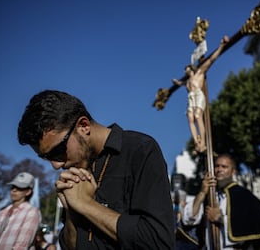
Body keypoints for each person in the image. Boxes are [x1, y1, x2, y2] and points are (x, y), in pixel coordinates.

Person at [17, 90, 174, 250]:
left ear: (83, 126)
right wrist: (72, 212)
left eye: (57, 151)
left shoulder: (139, 149)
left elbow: (158, 242)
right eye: (45, 157)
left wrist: (85, 204)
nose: (55, 165)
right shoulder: (76, 170)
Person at [182, 153, 260, 249]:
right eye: (216, 166)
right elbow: (189, 219)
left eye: (224, 166)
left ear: (233, 172)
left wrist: (220, 219)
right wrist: (202, 193)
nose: (219, 169)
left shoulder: (243, 195)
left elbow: (254, 223)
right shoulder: (209, 195)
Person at [172, 35, 229, 153]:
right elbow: (180, 83)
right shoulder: (186, 82)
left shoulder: (200, 73)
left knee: (198, 116)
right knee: (190, 118)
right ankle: (196, 142)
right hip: (191, 97)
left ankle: (202, 142)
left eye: (187, 68)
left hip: (198, 95)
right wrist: (177, 83)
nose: (185, 70)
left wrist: (221, 46)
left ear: (191, 69)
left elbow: (211, 59)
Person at [0, 172, 41, 250]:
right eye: (13, 186)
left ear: (28, 192)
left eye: (19, 187)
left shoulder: (32, 212)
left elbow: (21, 246)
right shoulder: (0, 213)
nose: (14, 190)